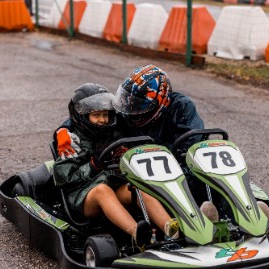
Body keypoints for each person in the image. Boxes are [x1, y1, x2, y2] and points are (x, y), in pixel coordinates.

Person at [55, 65, 217, 219]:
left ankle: (222, 214)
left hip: (177, 166)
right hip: (143, 169)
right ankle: (179, 223)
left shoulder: (182, 107)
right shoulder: (131, 113)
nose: (131, 109)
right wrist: (62, 130)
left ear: (159, 102)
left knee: (208, 174)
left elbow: (189, 147)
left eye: (139, 105)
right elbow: (91, 118)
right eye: (130, 102)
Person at [53, 83, 178, 248]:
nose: (103, 120)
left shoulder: (114, 133)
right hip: (82, 197)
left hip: (113, 185)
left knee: (139, 187)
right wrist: (93, 165)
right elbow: (63, 178)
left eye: (105, 114)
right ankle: (137, 234)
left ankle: (172, 229)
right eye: (96, 115)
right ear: (82, 117)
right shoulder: (72, 141)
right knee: (102, 191)